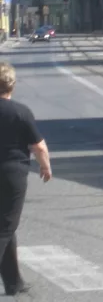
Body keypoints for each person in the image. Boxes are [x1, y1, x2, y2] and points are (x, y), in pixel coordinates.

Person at [0, 62, 52, 296]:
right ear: (11, 84)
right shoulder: (20, 112)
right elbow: (38, 146)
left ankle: (13, 282)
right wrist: (45, 167)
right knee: (6, 227)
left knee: (6, 227)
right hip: (11, 174)